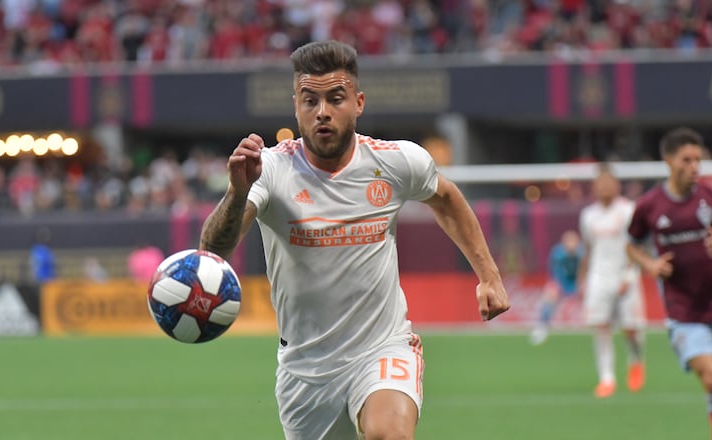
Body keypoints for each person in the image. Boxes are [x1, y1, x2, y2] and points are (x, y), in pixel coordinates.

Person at [199, 40, 510, 440]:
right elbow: (214, 252)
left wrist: (489, 276)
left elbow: (447, 198)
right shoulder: (272, 170)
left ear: (358, 103)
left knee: (388, 434)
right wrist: (237, 192)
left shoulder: (394, 161)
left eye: (336, 98)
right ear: (296, 105)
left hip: (382, 348)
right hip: (305, 370)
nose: (323, 112)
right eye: (310, 101)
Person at [626, 127, 712, 440]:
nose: (694, 166)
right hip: (683, 311)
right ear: (668, 161)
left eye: (698, 160)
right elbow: (631, 246)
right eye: (687, 159)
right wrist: (651, 264)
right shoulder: (649, 206)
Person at [579, 164, 646, 398]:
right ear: (594, 187)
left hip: (625, 275)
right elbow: (588, 248)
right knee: (601, 327)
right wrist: (583, 277)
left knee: (630, 329)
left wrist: (629, 275)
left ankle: (636, 359)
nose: (605, 188)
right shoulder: (588, 216)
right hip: (599, 277)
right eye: (600, 184)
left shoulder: (628, 210)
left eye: (609, 183)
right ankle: (606, 378)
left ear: (617, 185)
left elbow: (636, 246)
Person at [529, 229, 583, 346]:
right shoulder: (558, 254)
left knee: (593, 293)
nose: (571, 245)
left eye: (574, 241)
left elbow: (584, 271)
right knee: (550, 295)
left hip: (576, 282)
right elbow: (555, 273)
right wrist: (558, 286)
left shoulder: (581, 253)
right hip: (562, 282)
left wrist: (581, 284)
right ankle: (542, 327)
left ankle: (597, 323)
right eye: (568, 241)